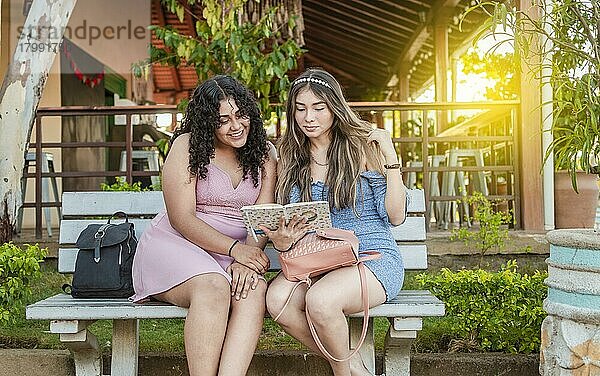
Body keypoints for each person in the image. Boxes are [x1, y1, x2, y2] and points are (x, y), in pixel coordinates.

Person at [260, 68, 409, 376]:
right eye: (300, 109)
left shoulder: (361, 146)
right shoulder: (289, 154)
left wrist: (392, 160)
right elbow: (289, 223)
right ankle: (355, 368)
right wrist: (282, 240)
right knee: (276, 301)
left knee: (320, 300)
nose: (308, 117)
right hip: (319, 259)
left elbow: (395, 216)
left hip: (370, 257)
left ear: (334, 106)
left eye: (318, 107)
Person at [130, 75, 277, 376]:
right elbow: (181, 218)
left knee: (254, 289)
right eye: (222, 120)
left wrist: (248, 259)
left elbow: (261, 216)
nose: (235, 126)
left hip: (233, 254)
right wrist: (236, 251)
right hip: (178, 244)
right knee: (213, 286)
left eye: (240, 115)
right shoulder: (187, 147)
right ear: (207, 122)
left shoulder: (265, 154)